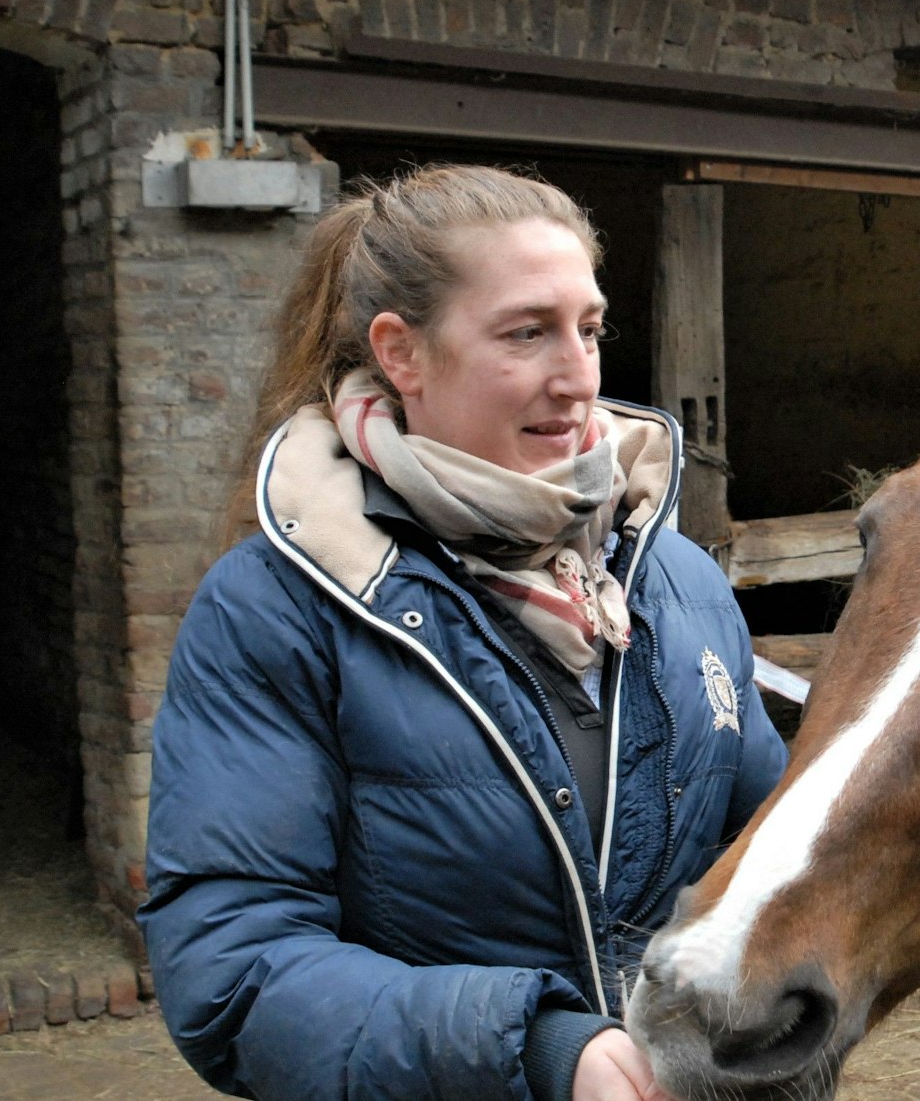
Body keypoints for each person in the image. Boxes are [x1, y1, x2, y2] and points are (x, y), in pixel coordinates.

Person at [139, 164, 788, 1100]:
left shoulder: (674, 575)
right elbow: (234, 969)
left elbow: (772, 842)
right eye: (527, 332)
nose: (578, 377)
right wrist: (540, 1049)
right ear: (401, 353)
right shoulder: (281, 608)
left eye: (590, 329)